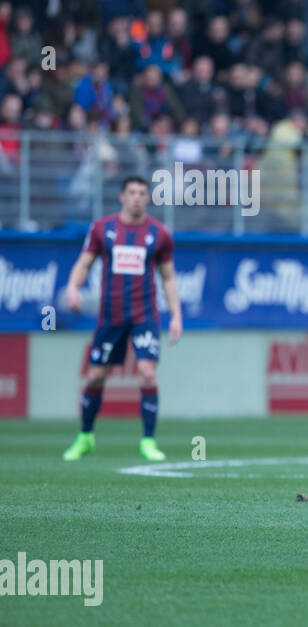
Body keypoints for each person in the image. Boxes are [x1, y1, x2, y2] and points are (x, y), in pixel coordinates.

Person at [62, 176, 182, 462]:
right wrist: (72, 287)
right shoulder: (103, 229)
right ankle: (85, 436)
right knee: (95, 376)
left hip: (144, 315)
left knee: (147, 372)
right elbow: (85, 262)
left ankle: (148, 441)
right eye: (132, 192)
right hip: (110, 316)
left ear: (148, 198)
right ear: (121, 196)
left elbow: (168, 277)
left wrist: (176, 315)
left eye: (142, 193)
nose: (137, 198)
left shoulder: (159, 233)